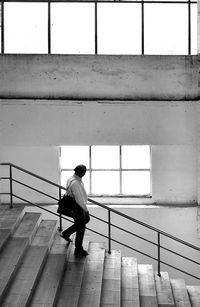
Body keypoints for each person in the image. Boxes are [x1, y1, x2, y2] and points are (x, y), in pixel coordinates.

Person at [61, 164, 90, 256]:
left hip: (75, 206)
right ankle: (78, 249)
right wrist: (85, 209)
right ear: (79, 172)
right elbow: (78, 198)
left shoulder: (72, 179)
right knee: (81, 228)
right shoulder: (75, 183)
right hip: (77, 207)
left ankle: (66, 233)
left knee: (81, 224)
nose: (85, 174)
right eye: (84, 172)